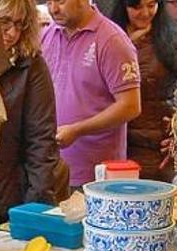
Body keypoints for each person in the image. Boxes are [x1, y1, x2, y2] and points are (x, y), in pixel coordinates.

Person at [0, 0, 62, 236]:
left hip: (11, 196)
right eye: (4, 22)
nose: (13, 33)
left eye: (20, 24)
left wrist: (35, 208)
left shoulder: (30, 65)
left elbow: (41, 141)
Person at [109, 0, 177, 182]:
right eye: (136, 7)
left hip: (154, 150)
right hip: (108, 145)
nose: (145, 13)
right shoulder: (107, 38)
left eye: (151, 5)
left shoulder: (171, 38)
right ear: (123, 7)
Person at [42, 0, 142, 187]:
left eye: (61, 1)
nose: (53, 9)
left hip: (97, 175)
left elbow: (130, 106)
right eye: (49, 1)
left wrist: (78, 129)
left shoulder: (112, 40)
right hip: (51, 169)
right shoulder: (48, 34)